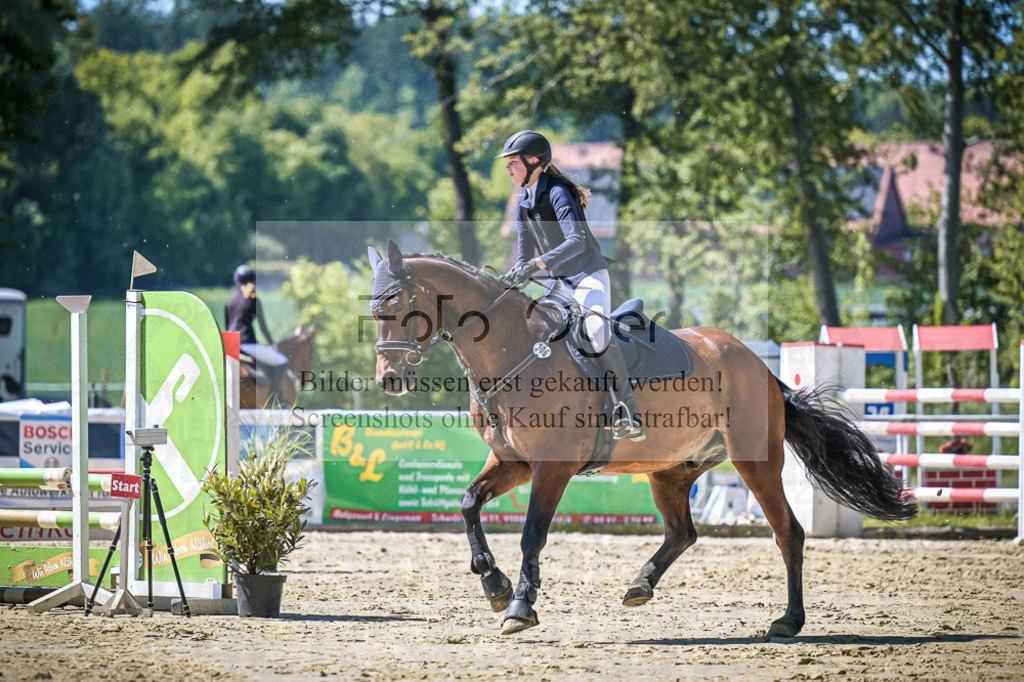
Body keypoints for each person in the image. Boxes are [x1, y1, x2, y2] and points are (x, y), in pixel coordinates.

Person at [496, 130, 644, 441]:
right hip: (560, 284)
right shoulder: (524, 204)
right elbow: (523, 257)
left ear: (533, 161)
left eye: (513, 162)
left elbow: (576, 241)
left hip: (587, 275)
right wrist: (508, 279)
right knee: (537, 331)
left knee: (595, 330)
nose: (508, 167)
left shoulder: (558, 192)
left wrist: (538, 263)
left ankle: (627, 411)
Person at [225, 265, 289, 401]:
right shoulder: (253, 300)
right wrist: (272, 343)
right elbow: (263, 327)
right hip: (248, 344)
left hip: (231, 346)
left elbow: (227, 327)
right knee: (282, 361)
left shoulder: (229, 301)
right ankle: (274, 396)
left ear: (237, 281)